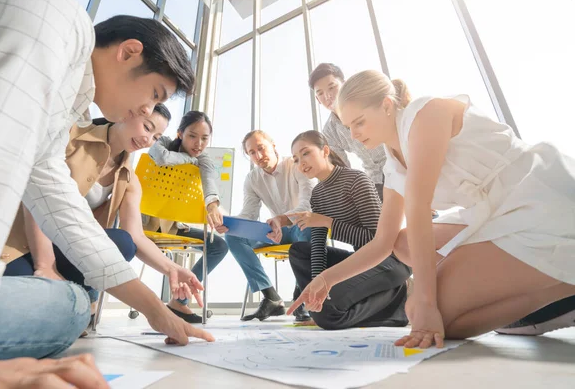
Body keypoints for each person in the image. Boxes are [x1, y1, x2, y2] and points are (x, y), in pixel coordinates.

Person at [0, 0, 212, 383]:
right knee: (68, 307)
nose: (147, 113)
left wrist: (154, 309)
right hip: (7, 252)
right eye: (155, 96)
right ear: (128, 52)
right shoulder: (53, 18)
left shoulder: (66, 103)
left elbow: (62, 207)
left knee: (73, 301)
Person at [289, 70, 575, 349]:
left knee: (428, 312)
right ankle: (558, 292)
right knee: (404, 248)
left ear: (386, 106)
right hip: (493, 213)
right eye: (348, 125)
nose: (353, 135)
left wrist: (427, 302)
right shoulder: (393, 165)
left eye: (359, 122)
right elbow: (382, 243)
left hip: (536, 199)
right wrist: (325, 278)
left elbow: (418, 207)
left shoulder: (425, 114)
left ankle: (563, 282)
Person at [2, 104, 207, 327]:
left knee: (122, 242)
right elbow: (38, 198)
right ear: (126, 113)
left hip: (65, 248)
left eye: (156, 137)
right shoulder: (71, 139)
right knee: (16, 304)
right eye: (147, 128)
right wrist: (45, 265)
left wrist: (171, 268)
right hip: (20, 246)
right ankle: (63, 299)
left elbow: (136, 237)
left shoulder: (128, 178)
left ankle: (71, 298)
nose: (148, 140)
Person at [288, 131, 410, 330]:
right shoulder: (317, 194)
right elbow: (319, 248)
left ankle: (398, 301)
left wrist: (328, 222)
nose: (301, 162)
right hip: (361, 262)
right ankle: (320, 307)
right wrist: (319, 289)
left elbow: (377, 240)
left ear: (325, 151)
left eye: (306, 153)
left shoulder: (356, 180)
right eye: (296, 159)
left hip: (390, 260)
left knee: (328, 316)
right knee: (299, 250)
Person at [221, 130, 317, 322]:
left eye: (261, 148)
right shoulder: (252, 179)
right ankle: (271, 297)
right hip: (276, 231)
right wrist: (229, 223)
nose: (258, 155)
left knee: (308, 228)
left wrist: (281, 220)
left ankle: (302, 297)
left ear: (273, 146)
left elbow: (307, 203)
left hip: (300, 225)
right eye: (252, 152)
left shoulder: (297, 164)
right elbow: (249, 213)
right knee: (232, 235)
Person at [148, 110, 228, 323]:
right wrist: (191, 161)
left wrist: (212, 205)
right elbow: (161, 157)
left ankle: (179, 301)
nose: (198, 144)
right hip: (142, 224)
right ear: (180, 133)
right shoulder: (164, 141)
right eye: (192, 135)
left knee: (219, 246)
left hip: (172, 227)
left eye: (204, 138)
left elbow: (210, 181)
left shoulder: (204, 160)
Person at [309, 63, 387, 200]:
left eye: (331, 87)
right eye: (320, 93)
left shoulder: (367, 103)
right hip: (376, 180)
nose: (327, 96)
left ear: (345, 84)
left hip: (399, 164)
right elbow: (343, 170)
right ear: (317, 99)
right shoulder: (329, 131)